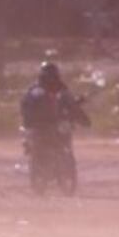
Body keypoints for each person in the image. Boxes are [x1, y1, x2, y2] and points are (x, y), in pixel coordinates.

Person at [20, 62, 90, 194]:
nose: (51, 79)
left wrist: (82, 118)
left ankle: (64, 171)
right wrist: (31, 121)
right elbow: (26, 108)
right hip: (39, 127)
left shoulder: (62, 90)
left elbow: (72, 105)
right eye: (48, 76)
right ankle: (39, 170)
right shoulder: (35, 92)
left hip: (57, 125)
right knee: (35, 144)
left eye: (53, 76)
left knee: (66, 142)